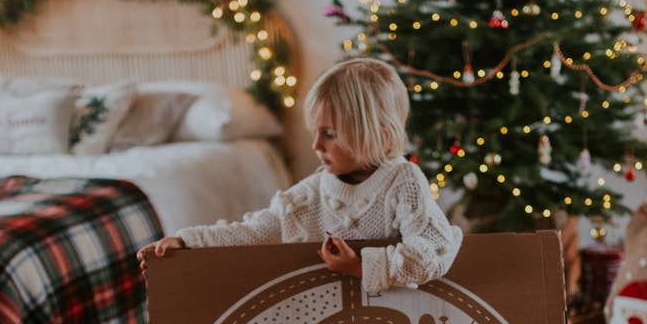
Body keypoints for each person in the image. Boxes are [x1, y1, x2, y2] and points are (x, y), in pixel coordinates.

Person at [136, 58, 462, 295]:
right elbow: (255, 231)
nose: (316, 145)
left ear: (379, 135)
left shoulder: (403, 181)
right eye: (315, 132)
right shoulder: (309, 195)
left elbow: (433, 249)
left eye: (330, 134)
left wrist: (363, 267)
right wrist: (187, 241)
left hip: (397, 321)